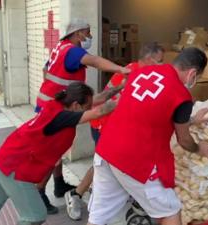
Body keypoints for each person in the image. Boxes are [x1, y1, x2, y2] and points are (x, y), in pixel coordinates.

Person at [0, 82, 122, 225]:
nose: (89, 108)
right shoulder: (62, 117)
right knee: (35, 216)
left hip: (3, 159)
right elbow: (99, 111)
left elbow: (96, 102)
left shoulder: (57, 105)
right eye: (86, 107)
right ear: (76, 105)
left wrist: (118, 87)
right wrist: (129, 98)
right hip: (14, 169)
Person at [87, 47, 208, 225]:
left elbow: (151, 112)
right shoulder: (181, 94)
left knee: (99, 217)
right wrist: (199, 148)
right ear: (192, 73)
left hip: (106, 150)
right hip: (134, 159)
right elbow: (184, 140)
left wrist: (193, 119)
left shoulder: (142, 72)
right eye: (198, 77)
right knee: (170, 210)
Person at [35, 18, 130, 214]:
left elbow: (46, 70)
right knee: (52, 152)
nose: (90, 36)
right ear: (78, 33)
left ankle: (59, 184)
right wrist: (121, 69)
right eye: (87, 32)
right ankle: (39, 192)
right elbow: (95, 61)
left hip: (51, 104)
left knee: (58, 148)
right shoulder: (72, 51)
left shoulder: (60, 47)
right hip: (54, 110)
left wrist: (63, 94)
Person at [64, 42, 165, 220]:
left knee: (109, 164)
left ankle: (119, 196)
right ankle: (76, 194)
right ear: (149, 59)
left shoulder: (140, 72)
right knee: (104, 164)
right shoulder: (133, 73)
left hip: (114, 124)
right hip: (104, 123)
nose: (162, 65)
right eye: (160, 61)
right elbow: (117, 101)